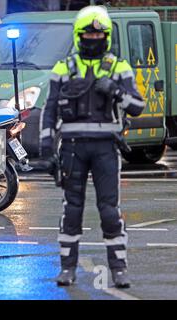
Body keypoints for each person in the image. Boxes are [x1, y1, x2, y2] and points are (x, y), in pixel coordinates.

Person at [39, 6, 145, 288]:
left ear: (107, 36)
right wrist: (47, 150)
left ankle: (119, 269)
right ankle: (67, 269)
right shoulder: (63, 68)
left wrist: (114, 90)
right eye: (89, 33)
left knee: (109, 210)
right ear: (78, 36)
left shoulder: (119, 67)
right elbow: (49, 112)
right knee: (71, 210)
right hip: (72, 149)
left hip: (106, 149)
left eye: (99, 33)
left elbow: (137, 106)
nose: (94, 38)